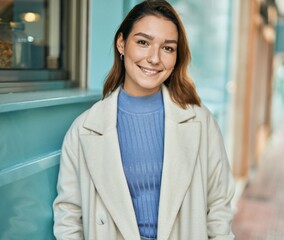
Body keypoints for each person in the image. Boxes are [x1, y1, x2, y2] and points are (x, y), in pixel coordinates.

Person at [53, 0, 235, 239]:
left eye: (167, 48)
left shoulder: (201, 122)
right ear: (121, 44)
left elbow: (218, 207)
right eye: (143, 42)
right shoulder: (84, 130)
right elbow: (68, 215)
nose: (154, 58)